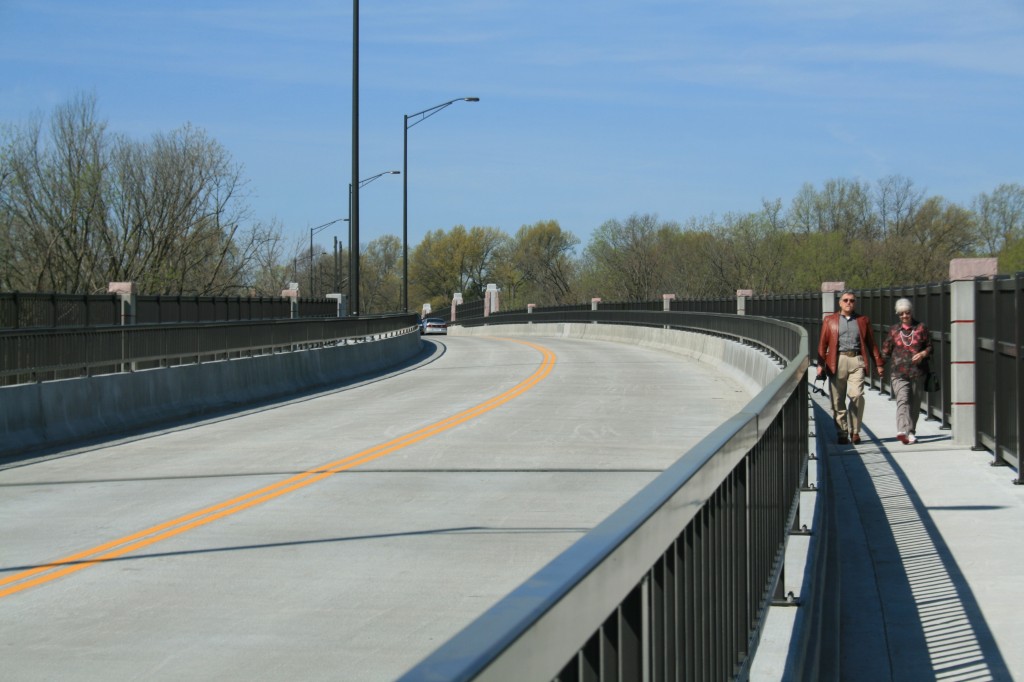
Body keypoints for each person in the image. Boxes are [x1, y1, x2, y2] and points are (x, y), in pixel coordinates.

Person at [816, 290, 884, 445]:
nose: (849, 303)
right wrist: (821, 365)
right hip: (837, 361)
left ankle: (855, 431)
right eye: (845, 300)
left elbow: (871, 344)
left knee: (857, 395)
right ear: (840, 303)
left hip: (856, 360)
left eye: (852, 300)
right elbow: (822, 344)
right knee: (837, 399)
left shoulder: (862, 320)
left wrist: (879, 364)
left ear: (855, 303)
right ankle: (842, 432)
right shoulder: (830, 320)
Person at [880, 298, 933, 444]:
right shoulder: (894, 330)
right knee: (903, 400)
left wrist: (922, 354)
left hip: (917, 372)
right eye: (901, 314)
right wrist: (879, 365)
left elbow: (930, 347)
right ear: (898, 315)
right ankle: (902, 430)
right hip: (898, 373)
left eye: (907, 313)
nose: (904, 316)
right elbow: (885, 350)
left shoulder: (921, 328)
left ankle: (911, 431)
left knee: (915, 403)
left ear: (911, 312)